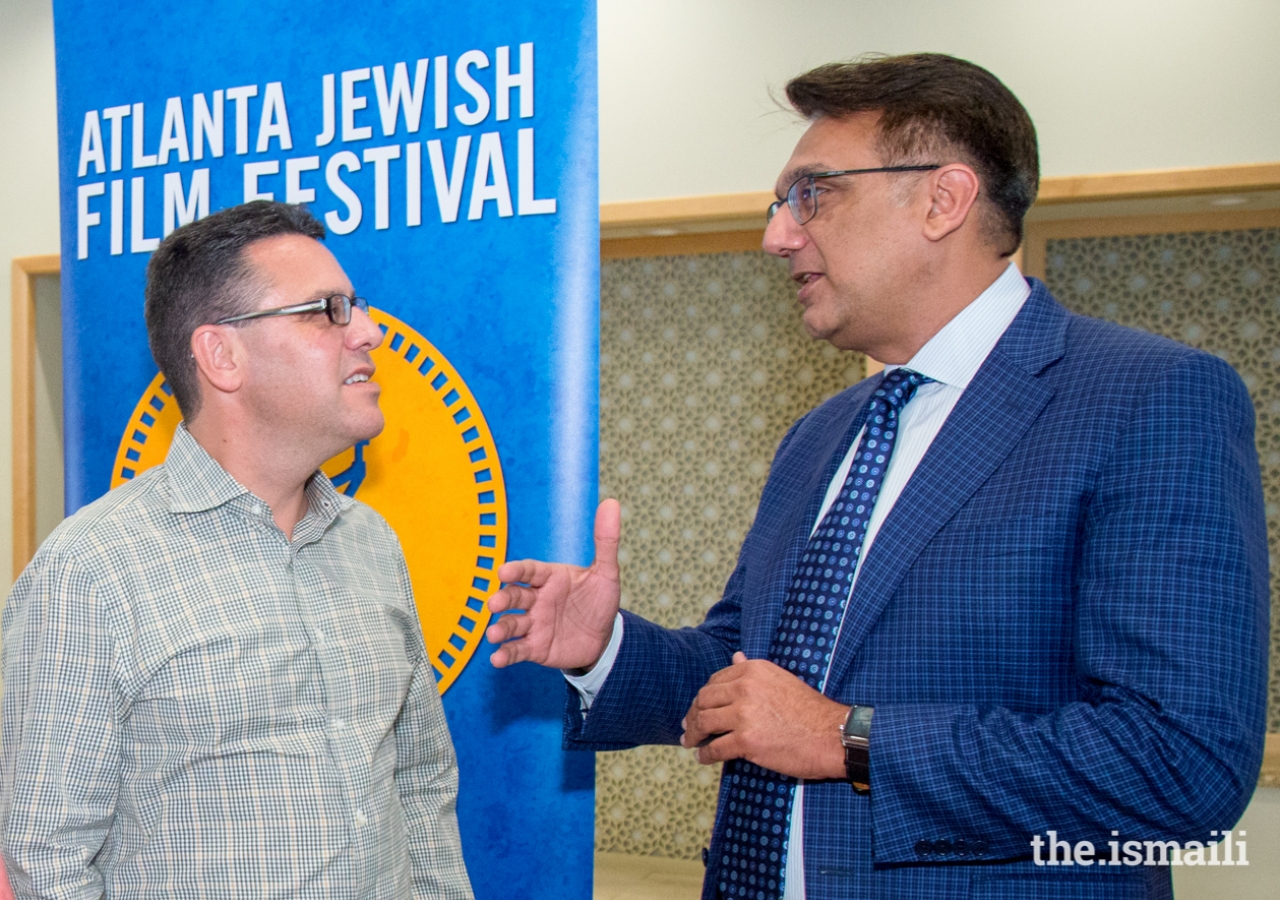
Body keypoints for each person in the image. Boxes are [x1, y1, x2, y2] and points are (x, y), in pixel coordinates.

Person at [486, 54, 1270, 900]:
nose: (777, 235)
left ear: (943, 199)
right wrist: (607, 651)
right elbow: (746, 681)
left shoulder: (1148, 397)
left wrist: (847, 740)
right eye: (779, 204)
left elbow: (1180, 762)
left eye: (812, 194)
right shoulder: (822, 435)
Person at [1, 201, 473, 900]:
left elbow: (420, 780)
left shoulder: (372, 543)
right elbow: (47, 863)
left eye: (358, 307)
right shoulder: (90, 572)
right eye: (326, 310)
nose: (368, 332)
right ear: (221, 355)